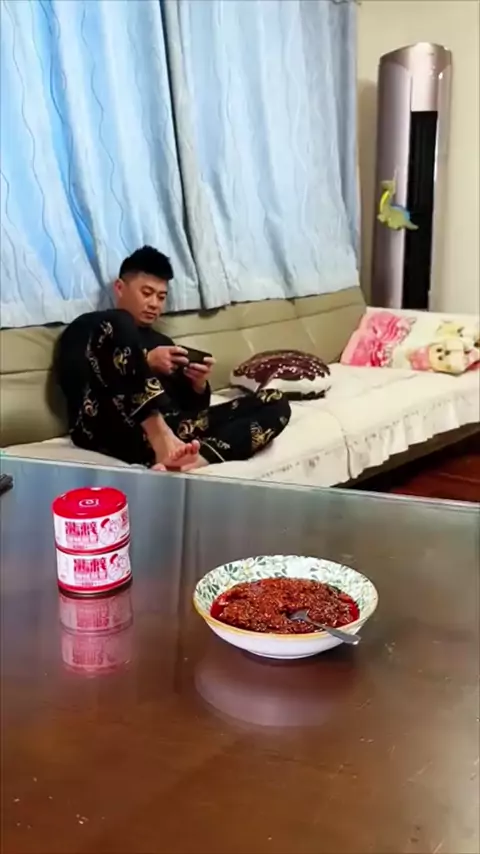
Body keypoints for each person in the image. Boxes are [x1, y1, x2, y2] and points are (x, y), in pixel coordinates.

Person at [55, 246, 291, 471]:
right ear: (119, 287)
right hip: (106, 426)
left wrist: (197, 387)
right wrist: (146, 361)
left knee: (275, 401)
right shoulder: (90, 326)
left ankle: (193, 460)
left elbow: (187, 412)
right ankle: (160, 438)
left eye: (161, 297)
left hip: (170, 430)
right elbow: (77, 379)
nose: (154, 304)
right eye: (146, 293)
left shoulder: (163, 342)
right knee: (120, 319)